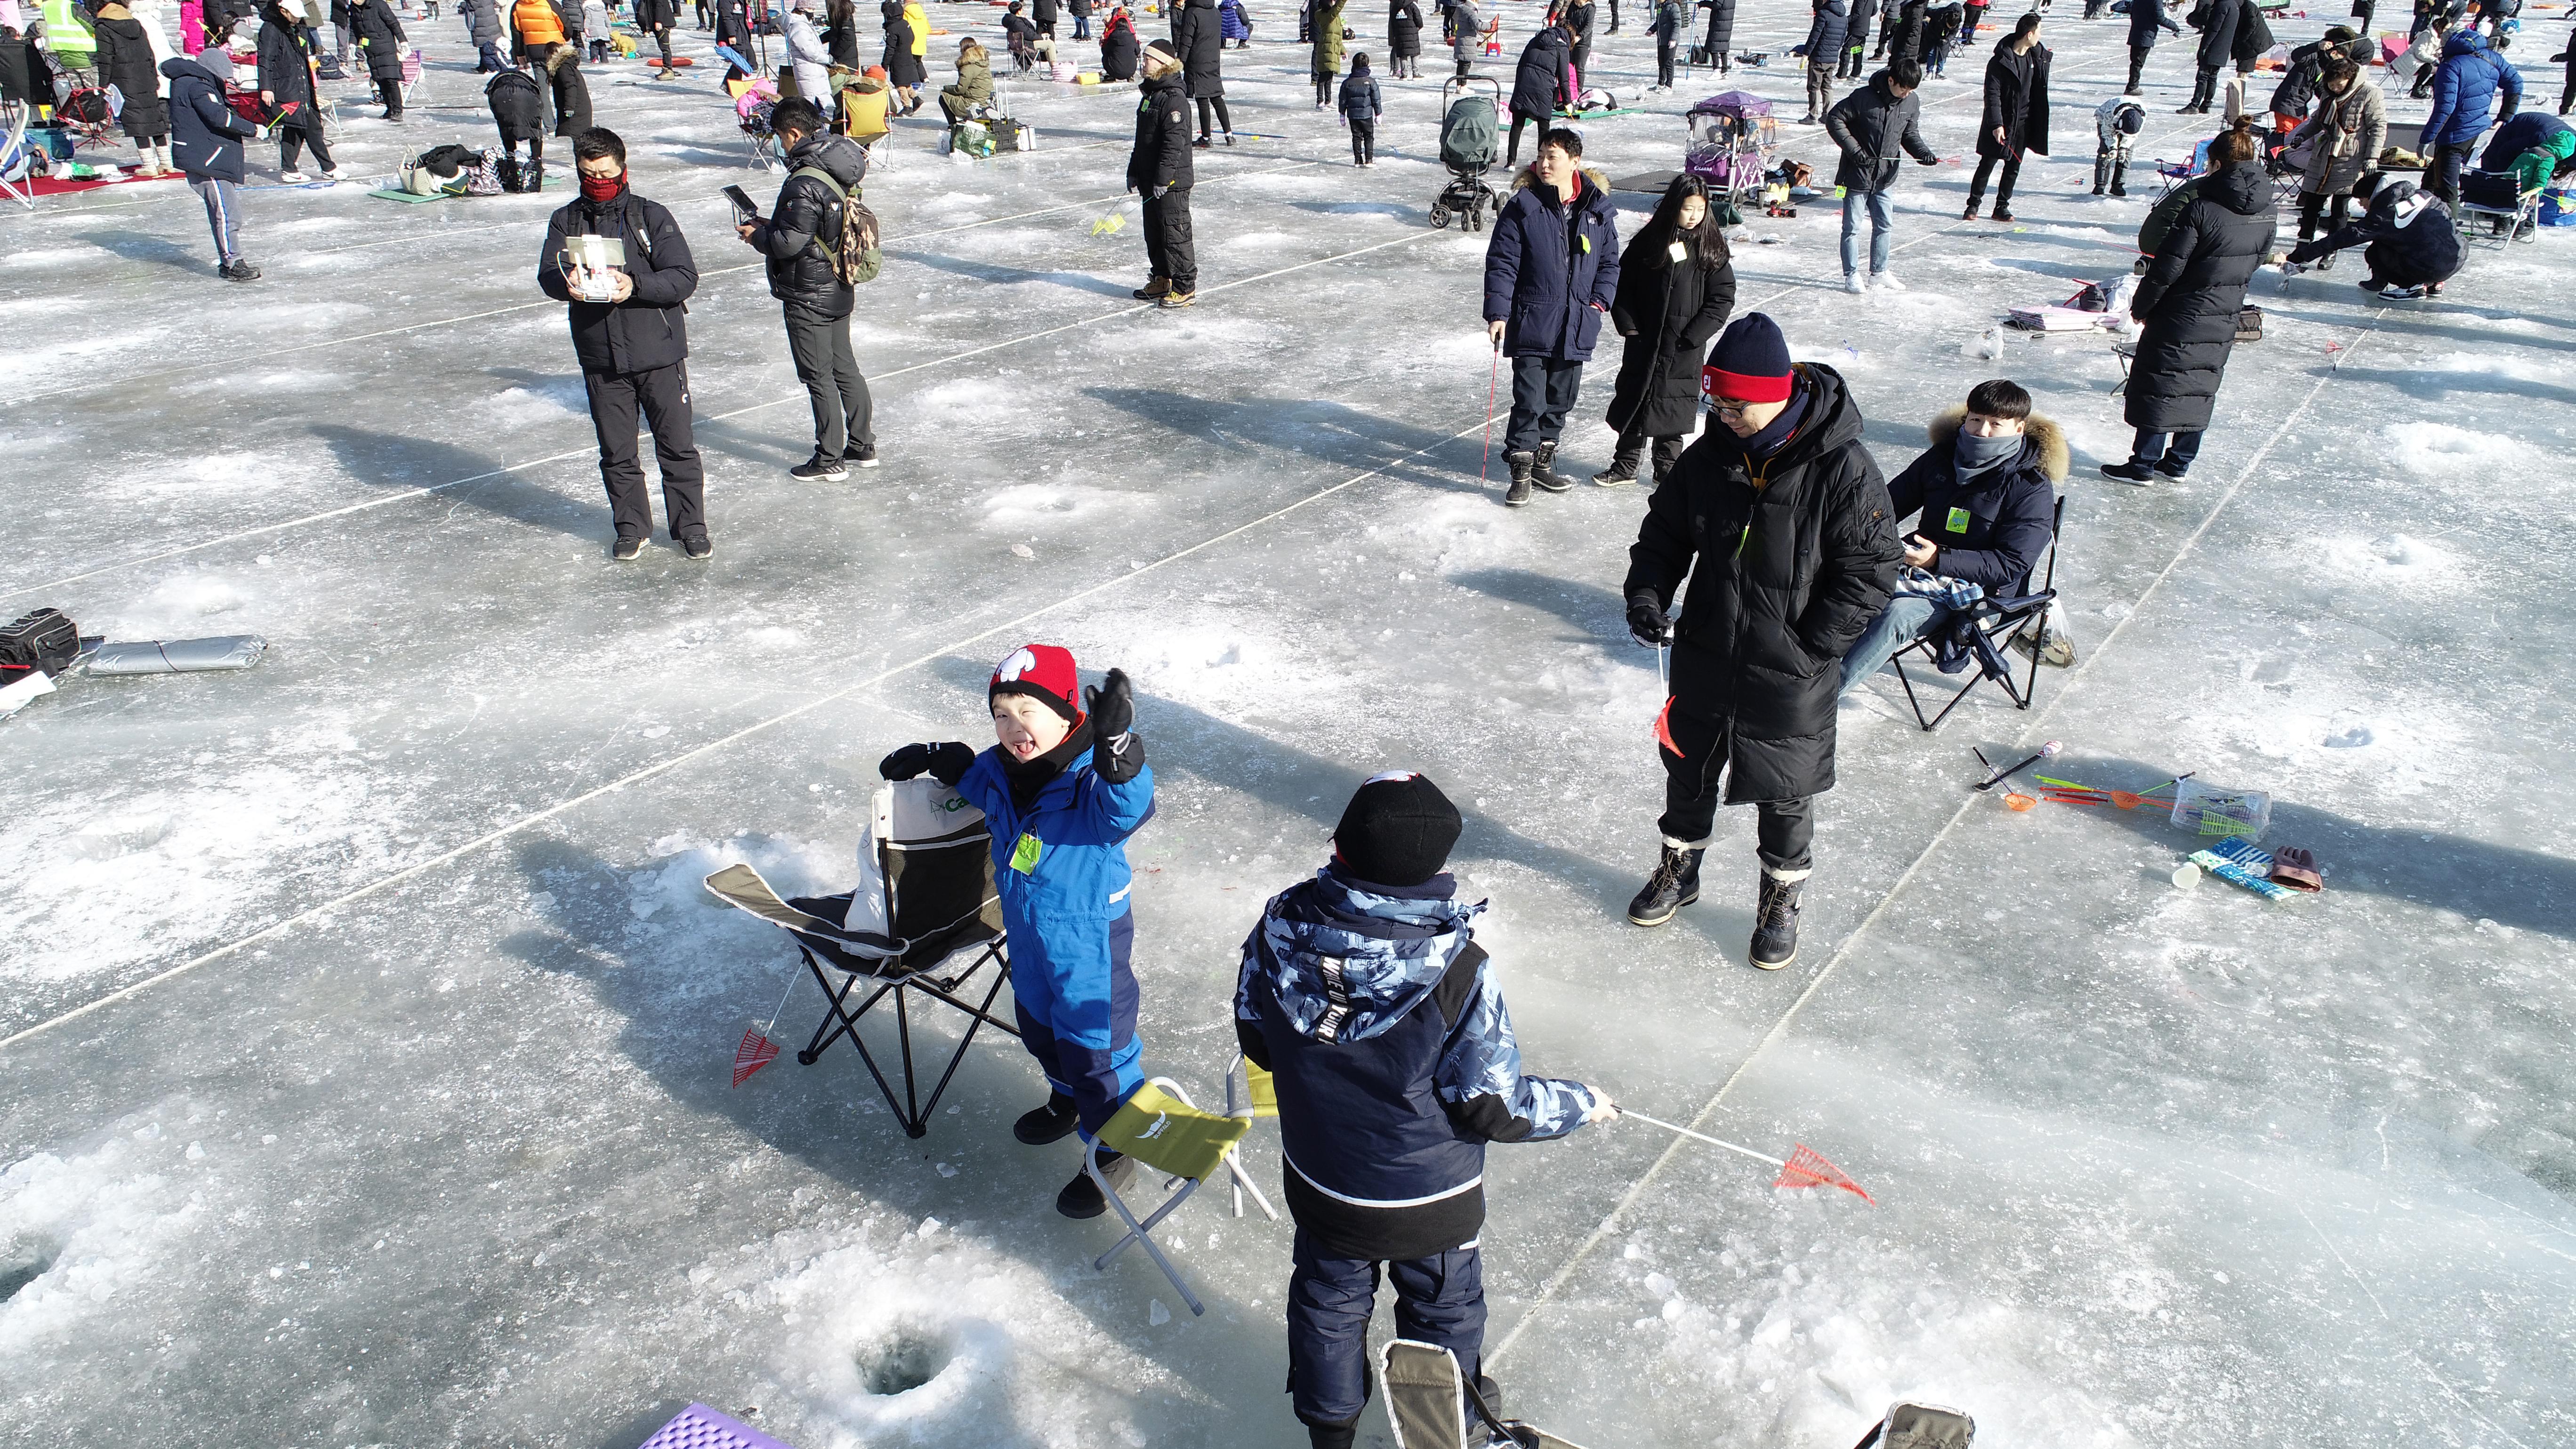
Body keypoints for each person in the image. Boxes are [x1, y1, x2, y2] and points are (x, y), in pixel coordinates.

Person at [1234, 770, 1616, 1449]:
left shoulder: (1279, 927)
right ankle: (1450, 1421)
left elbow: (1256, 1035)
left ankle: (1331, 1432)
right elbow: (1492, 1105)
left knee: (1328, 1298)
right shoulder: (1459, 966)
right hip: (1427, 1198)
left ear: (1340, 846)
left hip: (1322, 1179)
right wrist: (1582, 1102)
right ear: (1438, 868)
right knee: (1443, 1307)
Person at [1621, 312, 1899, 967]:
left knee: (1785, 790)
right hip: (1706, 651)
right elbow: (1663, 536)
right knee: (1686, 771)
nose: (1723, 415)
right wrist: (1646, 594)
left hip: (1791, 666)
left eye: (1735, 405)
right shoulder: (1710, 455)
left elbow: (1871, 570)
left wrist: (1812, 646)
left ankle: (1780, 901)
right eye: (1715, 403)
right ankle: (1678, 872)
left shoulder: (1843, 467)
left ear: (1778, 394)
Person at [879, 647, 1155, 1220]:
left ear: (1066, 715)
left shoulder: (1089, 781)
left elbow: (1127, 805)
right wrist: (944, 757)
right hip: (1029, 935)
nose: (1013, 727)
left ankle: (1113, 1150)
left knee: (1095, 1050)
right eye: (1001, 714)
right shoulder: (1003, 771)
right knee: (1038, 1025)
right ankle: (1067, 1100)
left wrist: (1119, 749)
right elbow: (977, 781)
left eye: (1027, 710)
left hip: (1087, 942)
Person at [536, 127, 710, 559]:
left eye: (605, 173)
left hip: (659, 353)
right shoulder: (566, 219)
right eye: (588, 173)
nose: (598, 181)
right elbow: (547, 275)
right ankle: (631, 527)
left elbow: (683, 277)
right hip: (601, 358)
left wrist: (633, 285)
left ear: (623, 169)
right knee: (617, 452)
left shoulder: (650, 216)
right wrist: (567, 283)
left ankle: (690, 527)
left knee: (677, 447)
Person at [1838, 378, 2062, 695]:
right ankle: (1792, 674)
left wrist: (1938, 559)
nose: (1982, 432)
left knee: (1897, 615)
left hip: (1982, 594)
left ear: (2019, 428)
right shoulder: (1941, 458)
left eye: (1996, 424)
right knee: (1836, 581)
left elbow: (2012, 564)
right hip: (1917, 570)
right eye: (1976, 420)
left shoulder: (2030, 486)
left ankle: (1815, 705)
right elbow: (1884, 508)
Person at [2102, 120, 2272, 483]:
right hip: (2225, 312)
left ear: (2215, 164)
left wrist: (2142, 307)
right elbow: (2257, 260)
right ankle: (2179, 463)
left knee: (2162, 385)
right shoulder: (2268, 211)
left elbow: (2166, 269)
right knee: (2199, 386)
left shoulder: (2201, 208)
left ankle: (2143, 465)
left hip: (2180, 311)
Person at [739, 97, 876, 482]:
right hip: (837, 284)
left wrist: (757, 236)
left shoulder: (805, 181)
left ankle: (829, 457)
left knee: (818, 375)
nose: (782, 145)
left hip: (808, 292)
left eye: (782, 137)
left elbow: (788, 244)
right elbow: (809, 229)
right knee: (845, 368)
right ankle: (862, 445)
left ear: (794, 133)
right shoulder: (835, 166)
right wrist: (773, 225)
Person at [1482, 128, 1619, 506]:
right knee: (1529, 398)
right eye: (1541, 155)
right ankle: (1521, 471)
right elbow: (1502, 262)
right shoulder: (1523, 206)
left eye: (1553, 156)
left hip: (1577, 323)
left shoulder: (1597, 210)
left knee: (1561, 398)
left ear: (1575, 162)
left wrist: (1598, 303)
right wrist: (1498, 312)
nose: (1544, 163)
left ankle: (1543, 461)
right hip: (1531, 320)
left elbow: (1610, 263)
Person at [1597, 174, 1735, 487]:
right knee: (1636, 400)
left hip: (1683, 348)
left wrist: (1694, 336)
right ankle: (1625, 465)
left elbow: (1722, 297)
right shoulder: (1650, 242)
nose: (1694, 216)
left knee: (1672, 408)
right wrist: (1629, 326)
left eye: (1700, 210)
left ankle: (1668, 470)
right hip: (1644, 342)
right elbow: (1623, 284)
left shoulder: (1711, 247)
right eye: (1688, 209)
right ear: (1675, 206)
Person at [1824, 56, 1939, 292]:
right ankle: (1851, 274)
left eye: (1911, 90)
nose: (1907, 94)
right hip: (1857, 174)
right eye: (1904, 89)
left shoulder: (1911, 102)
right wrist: (1854, 151)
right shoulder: (1863, 98)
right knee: (1852, 227)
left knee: (1884, 225)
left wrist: (1924, 153)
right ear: (1891, 81)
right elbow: (1835, 119)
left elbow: (1910, 135)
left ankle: (1879, 271)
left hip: (1885, 176)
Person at [163, 50, 261, 277]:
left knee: (221, 211)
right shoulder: (198, 85)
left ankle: (228, 261)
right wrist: (253, 129)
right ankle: (233, 263)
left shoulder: (190, 81)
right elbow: (218, 116)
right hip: (208, 159)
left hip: (205, 156)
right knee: (228, 213)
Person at [2286, 174, 2462, 296]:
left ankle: (2412, 287)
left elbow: (2342, 239)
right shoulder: (2424, 195)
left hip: (2433, 265)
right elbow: (2447, 217)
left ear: (2372, 196)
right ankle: (2435, 284)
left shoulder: (2383, 215)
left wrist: (2300, 256)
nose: (2362, 206)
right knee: (2413, 240)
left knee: (2375, 251)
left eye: (2362, 201)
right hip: (2458, 255)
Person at [2282, 56, 2385, 258]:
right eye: (2332, 85)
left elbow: (2378, 127)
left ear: (2350, 79)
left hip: (2351, 156)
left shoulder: (2370, 93)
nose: (2336, 88)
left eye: (2339, 85)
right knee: (2311, 204)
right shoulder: (2328, 96)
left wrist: (2372, 157)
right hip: (2324, 155)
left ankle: (2331, 250)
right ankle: (2303, 245)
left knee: (2340, 209)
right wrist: (2302, 136)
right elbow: (2318, 121)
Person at [2420, 24, 2521, 204]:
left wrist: (2426, 139)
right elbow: (2516, 83)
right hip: (2477, 127)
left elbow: (2445, 108)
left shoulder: (2450, 66)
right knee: (2431, 180)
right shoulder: (2491, 57)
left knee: (2446, 188)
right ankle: (2416, 221)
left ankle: (2447, 228)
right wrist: (2506, 115)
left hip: (2455, 133)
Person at [1128, 38, 1196, 306]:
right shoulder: (1151, 97)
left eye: (1148, 58)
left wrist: (1162, 179)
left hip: (1171, 183)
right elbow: (1141, 140)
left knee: (1175, 235)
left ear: (1163, 64)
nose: (1143, 62)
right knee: (1154, 234)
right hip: (1150, 181)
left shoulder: (1174, 100)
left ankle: (1185, 286)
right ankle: (1162, 278)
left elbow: (1174, 146)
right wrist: (1134, 171)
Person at [1963, 11, 2046, 220]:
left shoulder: (2037, 58)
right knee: (1988, 163)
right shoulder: (2000, 61)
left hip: (2024, 122)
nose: (2040, 37)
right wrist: (1997, 124)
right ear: (2029, 34)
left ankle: (2002, 206)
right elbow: (1992, 95)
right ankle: (1973, 205)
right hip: (2003, 120)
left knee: (2013, 166)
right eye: (2039, 32)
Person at [255, 0, 338, 179]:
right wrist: (266, 88)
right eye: (295, 15)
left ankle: (290, 169)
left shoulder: (298, 27)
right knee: (311, 126)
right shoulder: (271, 29)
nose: (299, 18)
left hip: (301, 84)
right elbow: (265, 61)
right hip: (286, 87)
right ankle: (328, 167)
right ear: (283, 11)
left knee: (296, 127)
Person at [92, 1, 174, 173]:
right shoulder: (136, 24)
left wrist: (104, 84)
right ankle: (167, 163)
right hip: (146, 76)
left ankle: (149, 165)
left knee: (136, 121)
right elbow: (149, 53)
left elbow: (105, 58)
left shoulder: (103, 27)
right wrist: (154, 76)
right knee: (154, 117)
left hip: (124, 79)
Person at [2269, 25, 2369, 124]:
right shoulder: (2313, 56)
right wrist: (2317, 46)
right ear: (2334, 53)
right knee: (2288, 138)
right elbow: (2296, 55)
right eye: (2340, 58)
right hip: (2287, 105)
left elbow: (2321, 88)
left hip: (2299, 108)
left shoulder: (2325, 66)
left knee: (2299, 135)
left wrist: (2337, 99)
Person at [1504, 18, 1566, 164]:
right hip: (1543, 91)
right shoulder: (1561, 48)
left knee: (1517, 125)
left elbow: (1521, 64)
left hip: (1524, 86)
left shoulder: (1535, 40)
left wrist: (1519, 85)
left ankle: (1511, 162)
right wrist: (1568, 102)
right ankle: (1542, 163)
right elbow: (1564, 78)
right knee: (1544, 128)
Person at [486, 62, 546, 189]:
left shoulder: (496, 85)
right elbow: (540, 102)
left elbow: (493, 105)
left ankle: (511, 158)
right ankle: (537, 160)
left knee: (506, 128)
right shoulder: (529, 84)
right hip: (529, 100)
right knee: (534, 130)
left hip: (502, 99)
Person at [1176, 0, 1230, 143]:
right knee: (1217, 97)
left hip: (1197, 61)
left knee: (1202, 99)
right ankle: (1229, 135)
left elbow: (1186, 40)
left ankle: (1206, 137)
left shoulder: (1192, 12)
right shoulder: (1216, 12)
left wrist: (1179, 62)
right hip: (1213, 60)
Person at [1802, 0, 1845, 123]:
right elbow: (1842, 39)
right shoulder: (1844, 18)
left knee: (1814, 86)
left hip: (1819, 58)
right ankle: (1827, 114)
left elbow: (1815, 36)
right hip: (1832, 58)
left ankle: (1813, 115)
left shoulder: (1823, 14)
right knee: (1827, 85)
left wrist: (1806, 53)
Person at [2123, 0, 2176, 94]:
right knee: (2138, 63)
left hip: (2136, 33)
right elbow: (2160, 18)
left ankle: (2132, 86)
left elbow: (2132, 11)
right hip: (2145, 35)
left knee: (2135, 62)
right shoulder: (2156, 1)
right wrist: (2174, 26)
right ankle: (2132, 87)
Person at [2093, 94, 2142, 195]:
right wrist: (2113, 148)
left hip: (2126, 122)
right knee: (2105, 152)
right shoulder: (2110, 114)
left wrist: (2123, 148)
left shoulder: (2142, 115)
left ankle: (2118, 185)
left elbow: (2132, 136)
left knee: (2126, 155)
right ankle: (2100, 185)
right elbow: (2107, 133)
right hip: (2105, 121)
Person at [1338, 49, 1380, 163]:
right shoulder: (1371, 82)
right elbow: (1376, 100)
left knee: (1356, 137)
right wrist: (1378, 114)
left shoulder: (1347, 83)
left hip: (1353, 116)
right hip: (1366, 116)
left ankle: (1358, 160)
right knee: (1369, 137)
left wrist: (1342, 114)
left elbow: (1343, 100)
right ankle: (1369, 160)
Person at [879, 0, 921, 111]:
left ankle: (907, 106)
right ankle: (916, 98)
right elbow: (912, 38)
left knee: (900, 84)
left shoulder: (893, 28)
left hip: (898, 60)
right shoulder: (905, 23)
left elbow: (890, 48)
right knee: (905, 82)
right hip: (908, 56)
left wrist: (885, 64)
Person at [937, 32, 990, 121]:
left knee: (943, 98)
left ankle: (953, 124)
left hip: (974, 103)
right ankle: (967, 119)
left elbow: (960, 89)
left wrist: (946, 88)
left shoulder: (968, 66)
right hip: (985, 100)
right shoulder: (982, 62)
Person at [783, 0, 829, 98]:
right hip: (809, 75)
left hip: (814, 73)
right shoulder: (798, 26)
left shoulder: (803, 25)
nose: (812, 12)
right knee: (816, 105)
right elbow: (810, 52)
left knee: (823, 105)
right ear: (802, 10)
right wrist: (828, 59)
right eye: (810, 9)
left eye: (813, 9)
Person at [1308, 0, 1343, 105]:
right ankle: (1320, 101)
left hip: (1332, 49)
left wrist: (1343, 50)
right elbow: (1339, 6)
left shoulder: (1330, 16)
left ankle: (1328, 100)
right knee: (1323, 78)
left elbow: (1336, 36)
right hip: (1326, 50)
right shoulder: (1329, 16)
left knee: (1329, 78)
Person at [1099, 1, 1138, 78]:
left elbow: (1113, 33)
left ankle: (1115, 70)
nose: (1104, 22)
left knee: (1108, 54)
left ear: (1109, 15)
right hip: (1129, 45)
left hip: (1127, 45)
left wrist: (1105, 38)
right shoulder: (1112, 22)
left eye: (1104, 19)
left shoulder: (1119, 20)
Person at [1650, 0, 1683, 89]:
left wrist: (1673, 39)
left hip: (1670, 40)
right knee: (1661, 62)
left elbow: (1677, 24)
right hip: (1662, 40)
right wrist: (1651, 30)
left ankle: (1669, 85)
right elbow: (1658, 23)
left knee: (1668, 62)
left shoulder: (1673, 7)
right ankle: (1661, 83)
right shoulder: (1661, 7)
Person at [1696, 0, 1734, 73]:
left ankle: (1716, 70)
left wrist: (1704, 3)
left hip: (1719, 21)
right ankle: (1724, 71)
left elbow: (1717, 5)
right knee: (1723, 47)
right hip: (1726, 21)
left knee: (1714, 45)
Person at [467, 0, 504, 67]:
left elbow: (473, 5)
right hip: (489, 15)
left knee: (485, 44)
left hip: (482, 19)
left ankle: (489, 67)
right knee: (488, 43)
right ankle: (484, 65)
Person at [1388, 0, 1418, 76]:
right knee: (1412, 50)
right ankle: (1414, 73)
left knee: (1399, 47)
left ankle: (1397, 71)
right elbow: (1418, 19)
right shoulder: (1412, 5)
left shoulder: (1395, 6)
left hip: (1398, 21)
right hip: (1409, 25)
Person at [1448, 0, 1478, 76]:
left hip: (1461, 40)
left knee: (1461, 64)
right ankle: (1463, 86)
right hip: (1467, 41)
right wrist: (1489, 26)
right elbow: (1477, 25)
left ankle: (1459, 85)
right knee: (1466, 64)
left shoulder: (1462, 9)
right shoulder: (1471, 11)